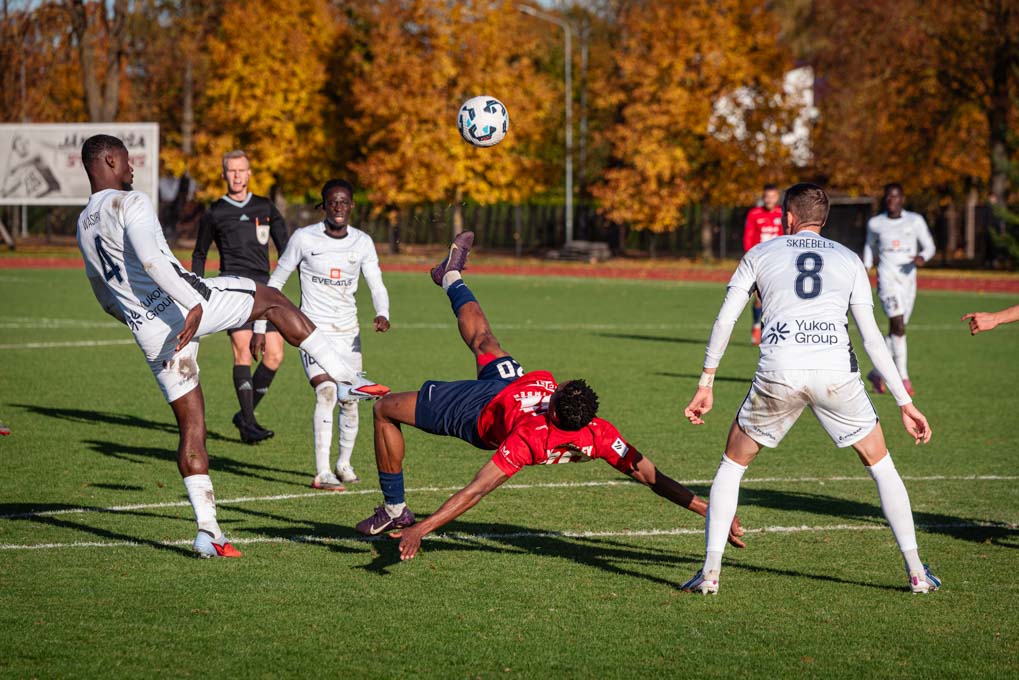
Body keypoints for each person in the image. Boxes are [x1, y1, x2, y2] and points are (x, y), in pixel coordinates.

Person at [76, 135, 389, 558]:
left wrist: (138, 323)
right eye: (127, 160)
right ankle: (347, 377)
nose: (132, 168)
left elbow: (102, 294)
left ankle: (209, 531)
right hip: (188, 304)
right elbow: (151, 259)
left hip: (151, 333)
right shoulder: (130, 201)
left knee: (192, 427)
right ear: (110, 160)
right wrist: (190, 304)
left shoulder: (84, 222)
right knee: (273, 300)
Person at [356, 231, 745, 561]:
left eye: (554, 393)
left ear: (553, 410)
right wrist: (709, 509)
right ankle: (450, 274)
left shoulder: (529, 438)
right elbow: (651, 476)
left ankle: (395, 509)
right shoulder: (599, 434)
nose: (554, 386)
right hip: (511, 385)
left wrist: (421, 529)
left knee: (385, 410)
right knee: (484, 340)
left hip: (479, 411)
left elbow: (477, 490)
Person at [681, 183, 939, 595]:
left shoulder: (759, 254)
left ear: (787, 217)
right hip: (836, 373)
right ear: (824, 219)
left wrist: (706, 382)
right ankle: (917, 573)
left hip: (779, 371)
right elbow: (872, 338)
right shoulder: (849, 259)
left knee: (732, 465)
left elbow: (725, 320)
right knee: (881, 466)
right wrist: (905, 403)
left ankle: (711, 573)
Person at [262, 179, 390, 491]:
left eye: (344, 202)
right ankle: (322, 472)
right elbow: (275, 283)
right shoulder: (304, 238)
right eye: (332, 202)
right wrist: (261, 326)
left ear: (352, 206)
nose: (338, 208)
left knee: (350, 399)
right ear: (324, 205)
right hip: (311, 332)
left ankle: (343, 464)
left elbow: (376, 283)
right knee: (327, 392)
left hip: (348, 334)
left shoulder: (362, 242)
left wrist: (382, 312)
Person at [191, 150, 289, 444]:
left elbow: (287, 249)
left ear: (249, 173)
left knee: (275, 355)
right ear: (224, 174)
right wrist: (195, 290)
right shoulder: (215, 211)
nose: (236, 175)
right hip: (233, 288)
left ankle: (244, 416)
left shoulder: (265, 206)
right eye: (231, 170)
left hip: (266, 289)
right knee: (243, 350)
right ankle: (249, 423)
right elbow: (199, 253)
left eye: (241, 170)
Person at [863, 183, 936, 396]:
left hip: (908, 281)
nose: (891, 200)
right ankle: (903, 377)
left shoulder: (915, 220)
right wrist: (866, 267)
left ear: (902, 199)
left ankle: (876, 373)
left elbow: (930, 246)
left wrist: (923, 257)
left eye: (895, 197)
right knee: (898, 324)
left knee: (898, 329)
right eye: (888, 197)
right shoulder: (876, 223)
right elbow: (869, 246)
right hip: (887, 279)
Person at [742, 184, 783, 345]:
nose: (769, 200)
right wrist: (750, 257)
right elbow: (748, 236)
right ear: (763, 197)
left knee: (778, 296)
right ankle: (757, 326)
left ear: (777, 197)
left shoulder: (782, 213)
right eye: (767, 196)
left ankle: (773, 330)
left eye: (772, 196)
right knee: (760, 298)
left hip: (779, 262)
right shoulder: (754, 214)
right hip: (760, 262)